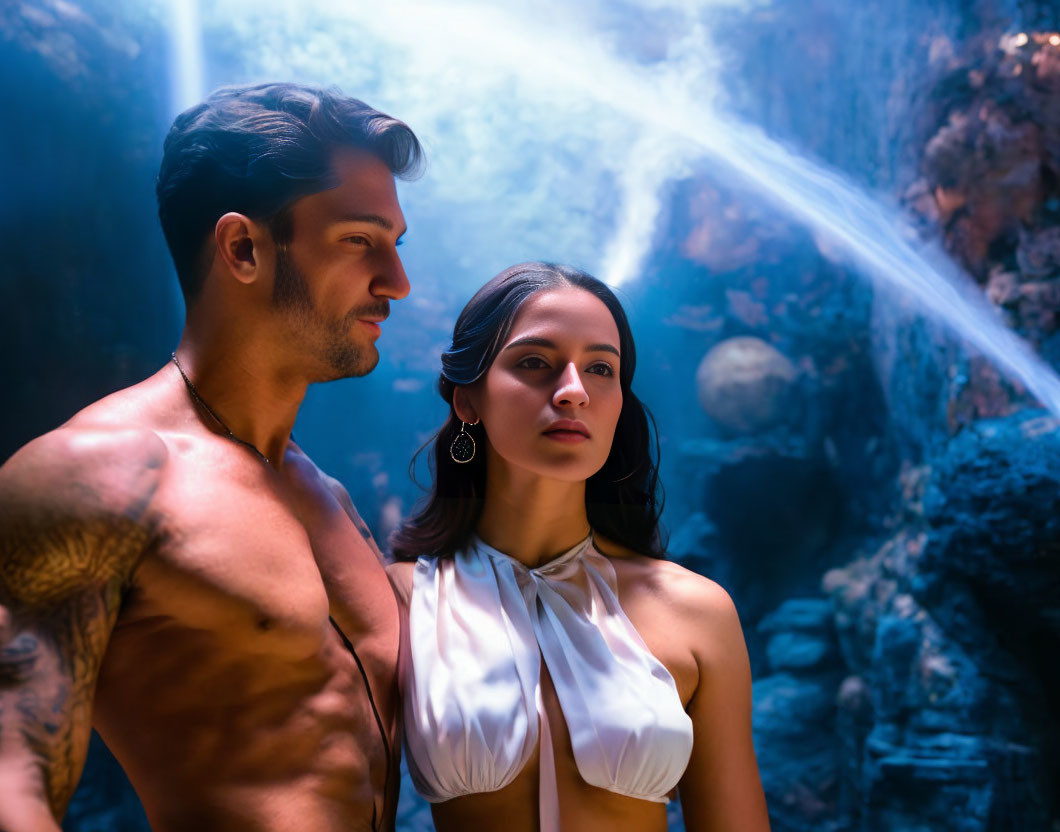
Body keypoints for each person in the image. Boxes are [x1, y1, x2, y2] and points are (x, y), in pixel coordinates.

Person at [0, 82, 421, 832]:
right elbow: (12, 775)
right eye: (360, 241)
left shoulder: (327, 496)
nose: (397, 282)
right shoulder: (98, 474)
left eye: (394, 244)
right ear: (243, 248)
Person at [387, 262, 771, 831]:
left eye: (600, 368)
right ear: (467, 399)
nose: (572, 392)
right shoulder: (398, 603)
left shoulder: (696, 613)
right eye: (535, 363)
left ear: (619, 400)